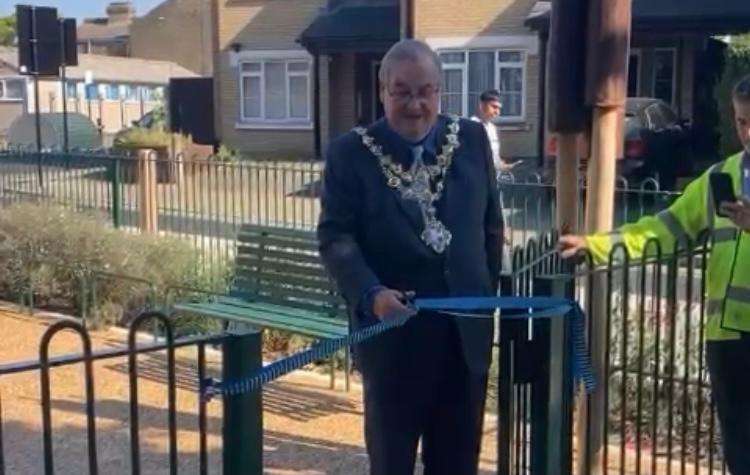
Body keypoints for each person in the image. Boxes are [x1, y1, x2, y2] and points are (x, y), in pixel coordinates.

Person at [317, 39, 503, 475]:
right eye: (402, 92)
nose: (415, 105)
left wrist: (481, 301)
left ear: (440, 91)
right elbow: (334, 238)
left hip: (463, 345)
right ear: (383, 91)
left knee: (458, 466)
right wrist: (372, 293)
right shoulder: (351, 153)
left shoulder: (473, 140)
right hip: (393, 345)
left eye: (426, 91)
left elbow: (492, 229)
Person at [558, 75, 750, 474]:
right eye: (742, 121)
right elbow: (663, 229)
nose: (747, 132)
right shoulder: (724, 175)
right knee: (739, 451)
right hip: (727, 341)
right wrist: (596, 245)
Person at [470, 89, 518, 175]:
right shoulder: (471, 126)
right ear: (481, 105)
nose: (497, 112)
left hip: (493, 178)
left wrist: (502, 165)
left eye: (499, 108)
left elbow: (494, 155)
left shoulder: (492, 128)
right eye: (494, 107)